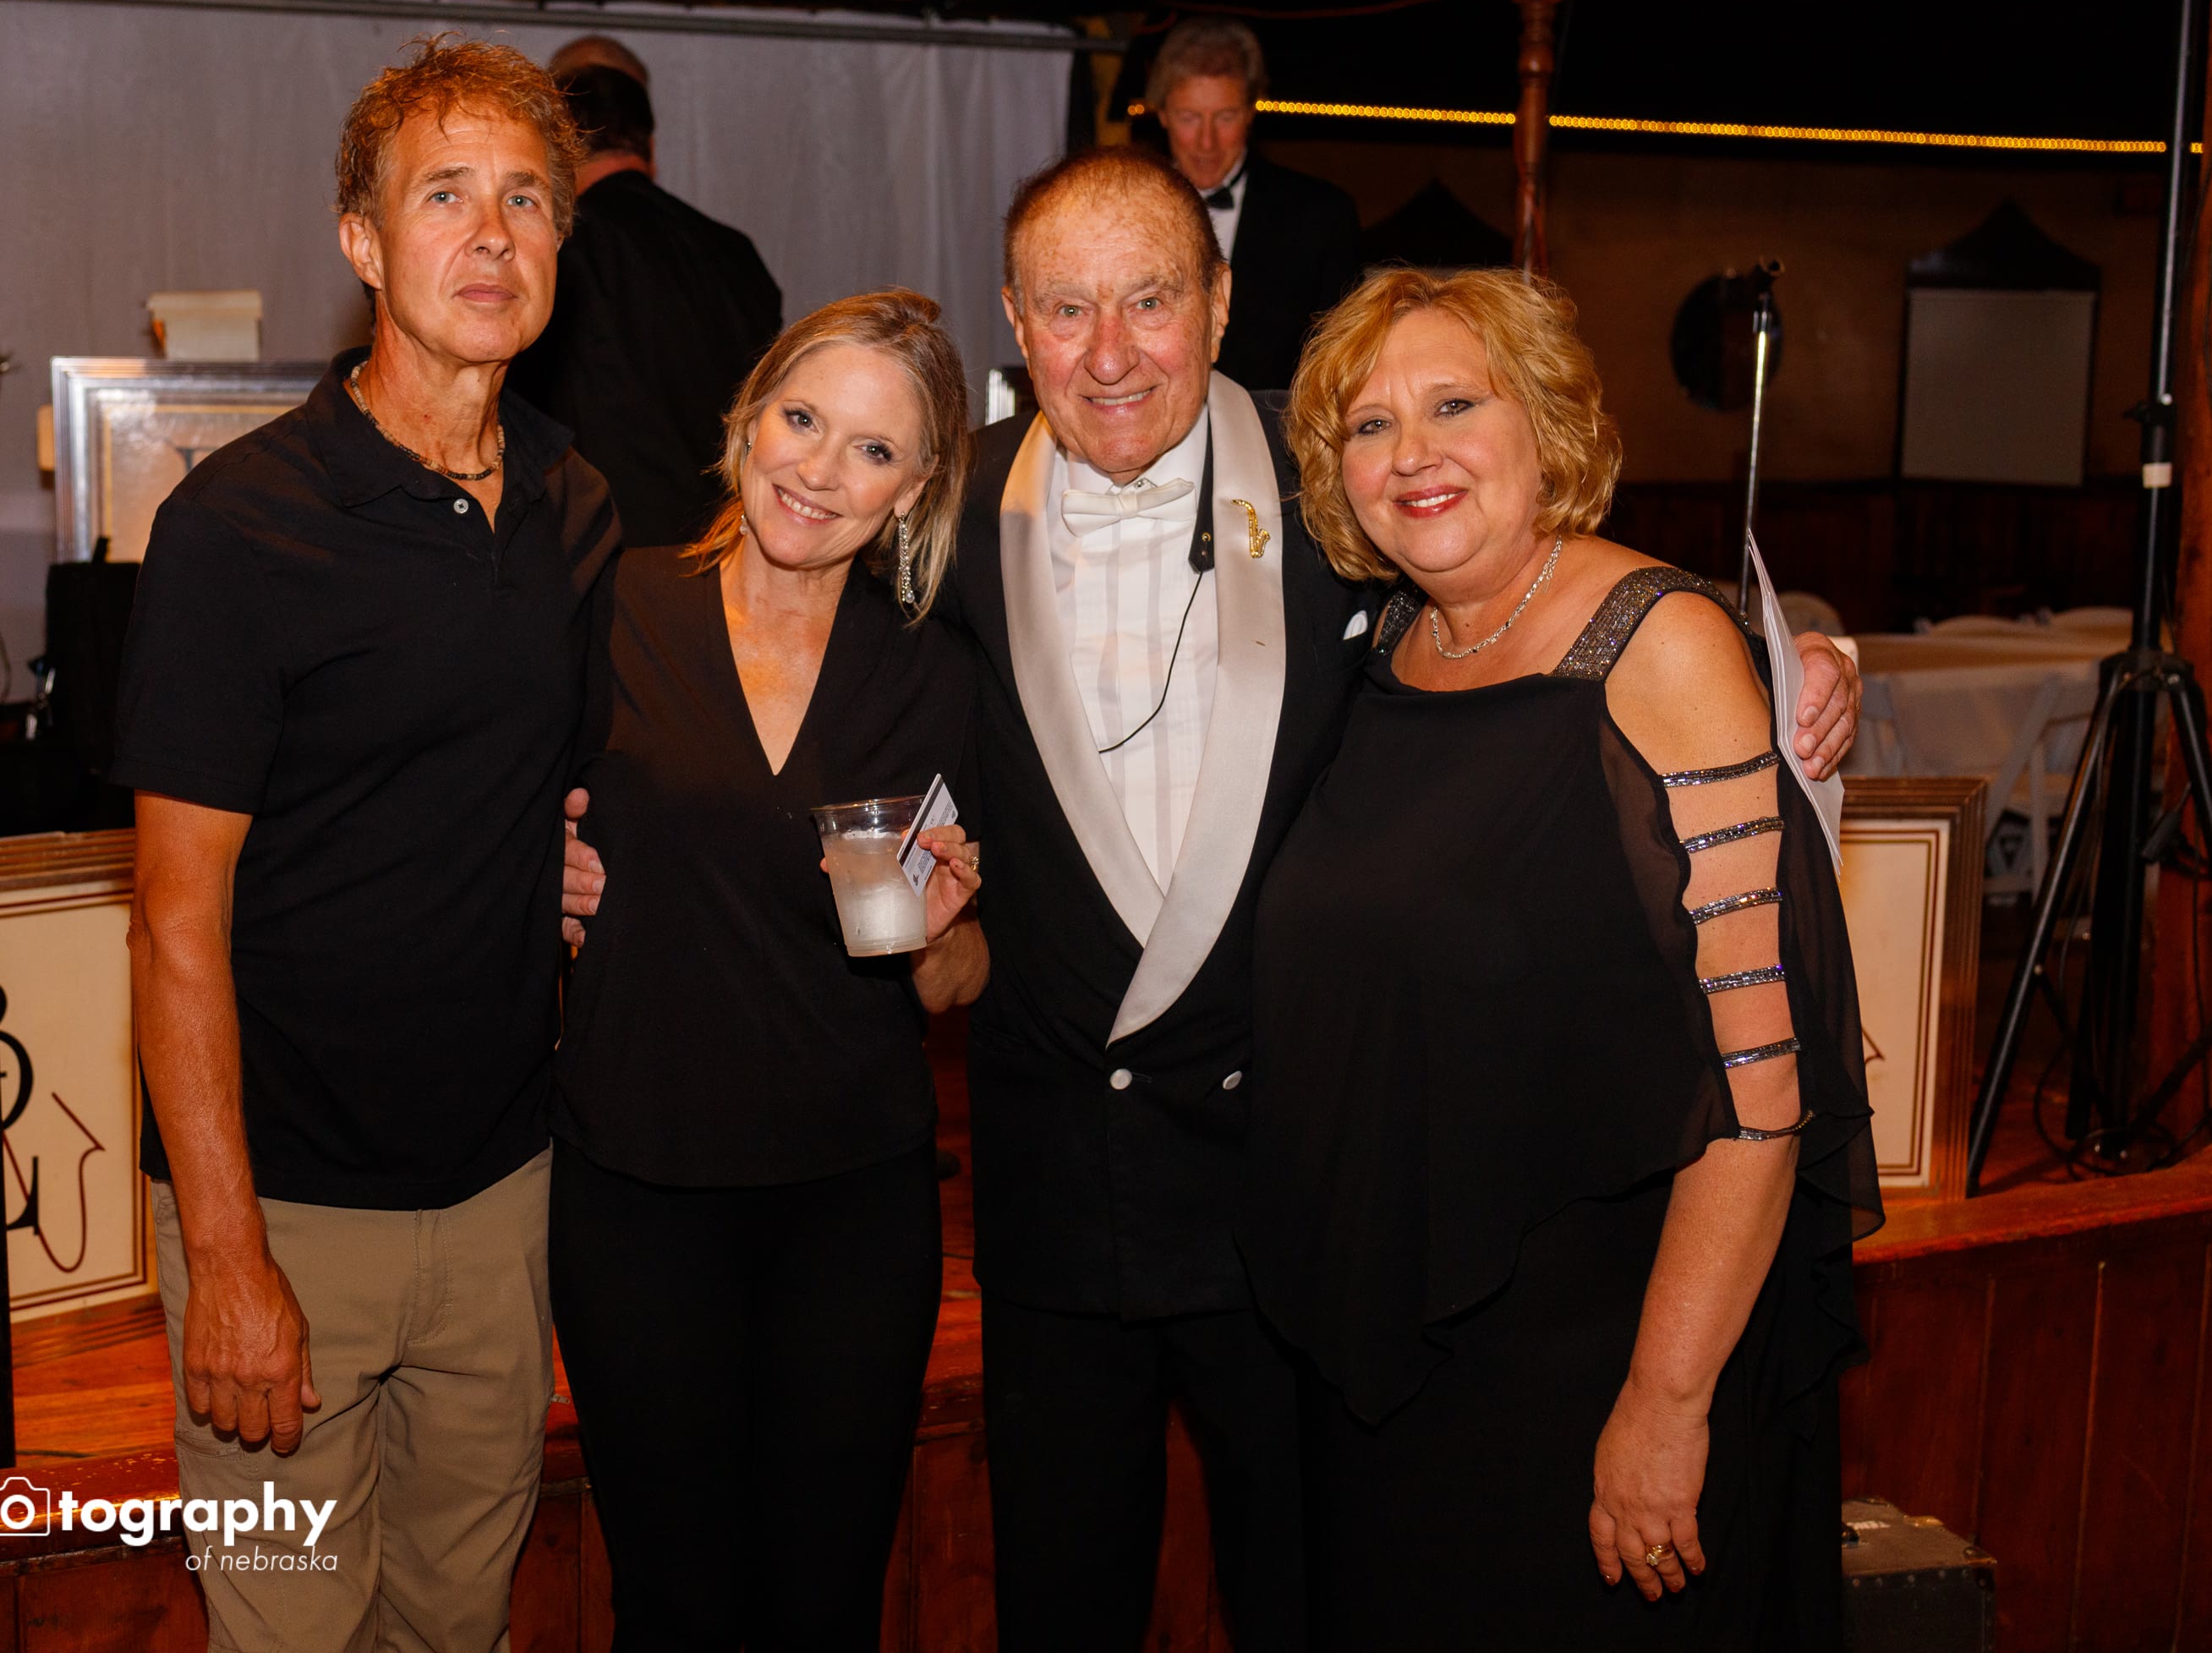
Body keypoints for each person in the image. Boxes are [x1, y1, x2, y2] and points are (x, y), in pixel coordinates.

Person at [563, 147, 1860, 1650]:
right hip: (1054, 1195)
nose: (1110, 353)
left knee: (1309, 1604)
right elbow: (770, 663)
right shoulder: (935, 501)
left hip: (1297, 1194)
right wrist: (575, 851)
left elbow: (1528, 569)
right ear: (1016, 321)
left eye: (1151, 300)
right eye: (1066, 309)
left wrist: (1790, 649)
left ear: (1222, 301)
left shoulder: (1343, 478)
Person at [1240, 266, 1881, 1648]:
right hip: (1404, 1356)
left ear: (1546, 425)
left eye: (1454, 405)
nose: (1412, 452)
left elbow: (1761, 1090)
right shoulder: (1391, 648)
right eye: (1369, 424)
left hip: (1599, 1360)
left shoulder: (1661, 649)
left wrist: (1665, 1402)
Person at [116, 35, 615, 1650]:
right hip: (287, 1213)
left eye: (527, 198)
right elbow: (171, 920)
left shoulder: (576, 508)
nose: (494, 234)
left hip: (503, 1199)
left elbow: (566, 791)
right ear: (363, 242)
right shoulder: (238, 528)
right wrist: (226, 1257)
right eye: (445, 195)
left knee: (460, 1630)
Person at [548, 290, 986, 1648]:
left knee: (824, 1603)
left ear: (915, 488)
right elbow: (488, 818)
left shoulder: (939, 675)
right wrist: (532, 876)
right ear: (748, 420)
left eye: (873, 449)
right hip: (640, 1190)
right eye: (802, 419)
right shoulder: (609, 607)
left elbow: (958, 982)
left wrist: (941, 929)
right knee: (673, 1603)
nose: (820, 470)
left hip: (851, 1207)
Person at [510, 62, 784, 547]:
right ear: (650, 147)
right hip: (727, 543)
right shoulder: (735, 253)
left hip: (604, 546)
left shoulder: (556, 251)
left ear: (557, 151)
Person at [1147, 16, 1361, 393]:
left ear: (1250, 112)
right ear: (1162, 114)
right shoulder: (1124, 213)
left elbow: (1341, 363)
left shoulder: (1322, 217)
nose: (1207, 142)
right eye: (1189, 118)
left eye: (1225, 117)